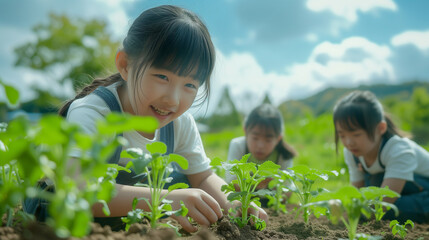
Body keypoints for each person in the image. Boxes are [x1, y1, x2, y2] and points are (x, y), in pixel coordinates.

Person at [24, 5, 267, 232]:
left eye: (190, 85)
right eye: (162, 76)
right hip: (62, 215)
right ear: (125, 65)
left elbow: (202, 177)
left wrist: (233, 206)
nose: (172, 99)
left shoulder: (180, 124)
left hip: (127, 218)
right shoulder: (95, 111)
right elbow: (76, 189)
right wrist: (164, 200)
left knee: (183, 181)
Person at [333, 90, 429, 223]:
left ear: (380, 128)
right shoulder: (351, 152)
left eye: (356, 135)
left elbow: (382, 205)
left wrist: (353, 213)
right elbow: (356, 193)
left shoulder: (398, 150)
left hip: (424, 191)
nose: (348, 142)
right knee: (366, 202)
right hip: (400, 192)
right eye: (342, 135)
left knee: (385, 210)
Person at [226, 104, 297, 205]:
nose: (260, 145)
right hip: (243, 197)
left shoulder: (284, 154)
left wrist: (270, 184)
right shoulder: (238, 145)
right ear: (245, 131)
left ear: (278, 139)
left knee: (289, 190)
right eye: (255, 138)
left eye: (268, 140)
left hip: (271, 197)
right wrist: (256, 184)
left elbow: (287, 185)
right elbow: (231, 178)